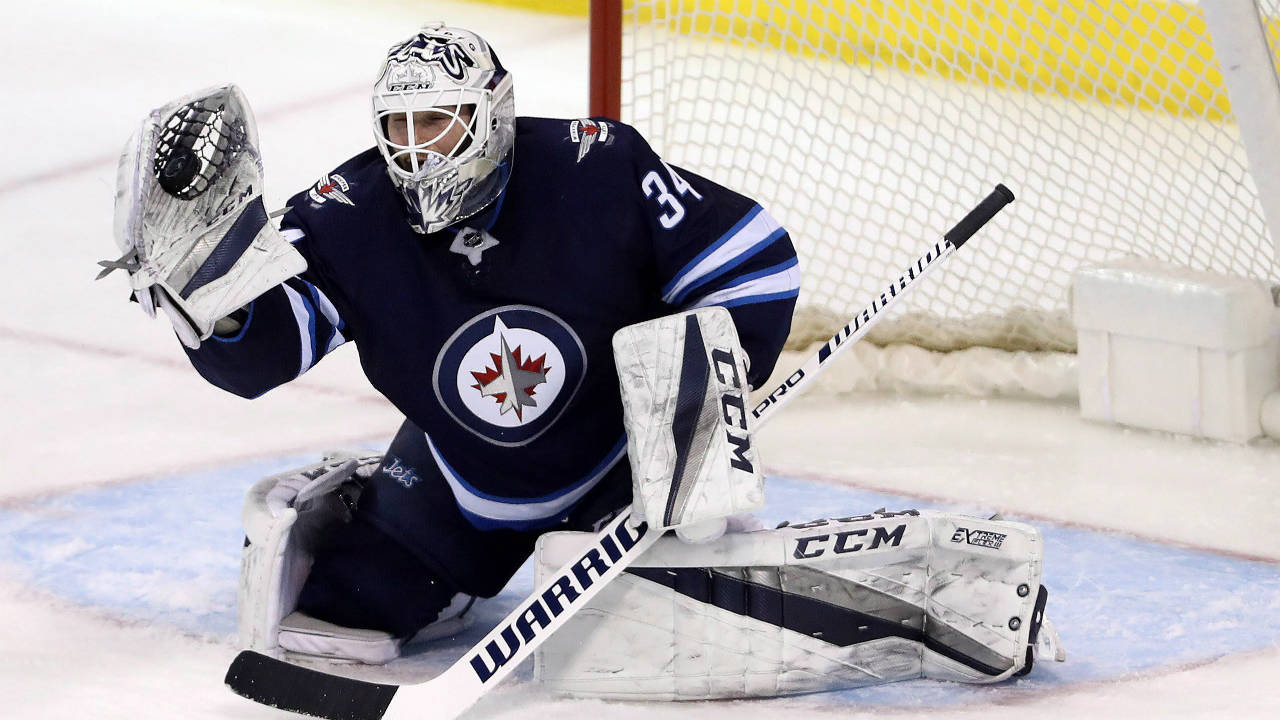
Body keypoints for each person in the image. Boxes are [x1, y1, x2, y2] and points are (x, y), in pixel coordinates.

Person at [107, 22, 1057, 696]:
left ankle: (695, 538)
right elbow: (263, 356)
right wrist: (211, 306)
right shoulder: (346, 215)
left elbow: (754, 260)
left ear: (490, 114)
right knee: (337, 616)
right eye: (397, 127)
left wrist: (697, 414)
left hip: (622, 476)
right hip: (455, 478)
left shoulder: (598, 169)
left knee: (661, 634)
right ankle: (440, 562)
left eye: (437, 123)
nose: (414, 151)